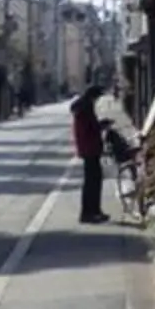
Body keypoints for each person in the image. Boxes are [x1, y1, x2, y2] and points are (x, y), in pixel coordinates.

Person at [71, 82, 107, 223]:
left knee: (93, 180)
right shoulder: (85, 108)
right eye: (97, 97)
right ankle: (89, 212)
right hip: (90, 148)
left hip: (88, 148)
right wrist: (101, 126)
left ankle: (94, 211)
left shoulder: (82, 107)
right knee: (92, 181)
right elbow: (90, 128)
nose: (97, 100)